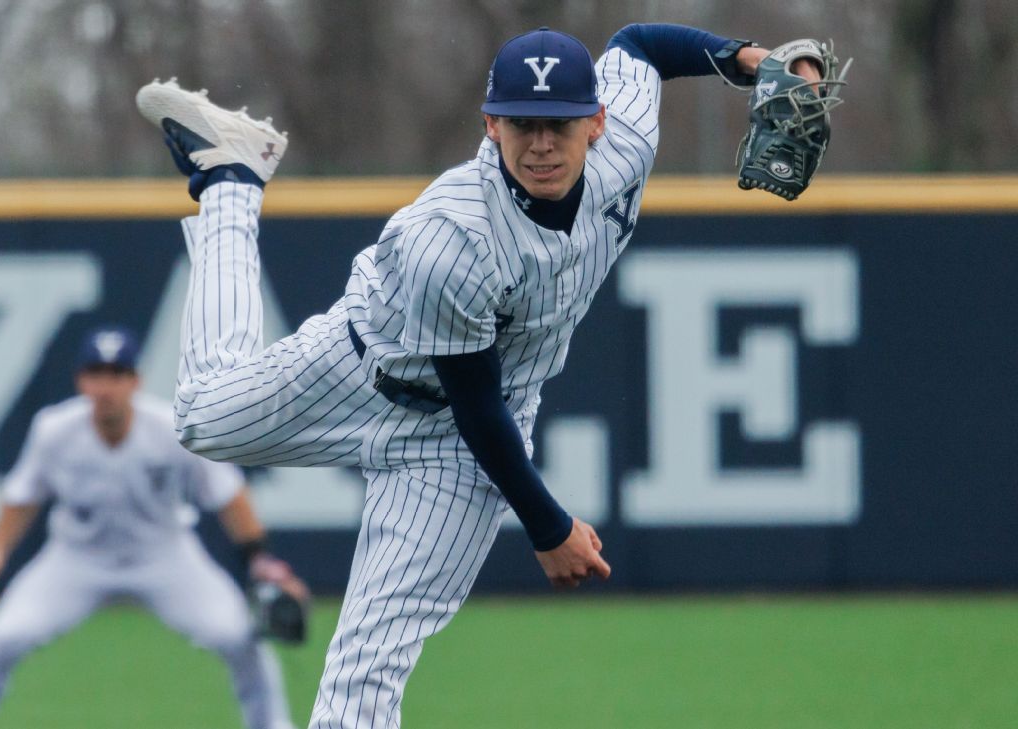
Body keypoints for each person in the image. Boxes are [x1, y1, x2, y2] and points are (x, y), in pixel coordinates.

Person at [137, 22, 823, 728]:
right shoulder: (454, 234)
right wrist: (548, 525)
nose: (543, 144)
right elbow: (474, 399)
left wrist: (752, 59)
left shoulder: (625, 150)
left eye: (559, 124)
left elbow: (641, 45)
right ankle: (231, 179)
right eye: (523, 124)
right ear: (491, 125)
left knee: (366, 668)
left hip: (452, 455)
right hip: (363, 363)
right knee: (199, 415)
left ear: (597, 121)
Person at [0, 326, 306, 729]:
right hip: (76, 559)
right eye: (96, 374)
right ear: (81, 380)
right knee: (0, 639)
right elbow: (23, 495)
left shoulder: (173, 428)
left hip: (165, 555)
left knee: (239, 638)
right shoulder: (54, 430)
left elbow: (228, 496)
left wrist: (260, 560)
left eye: (116, 374)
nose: (105, 386)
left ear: (135, 381)